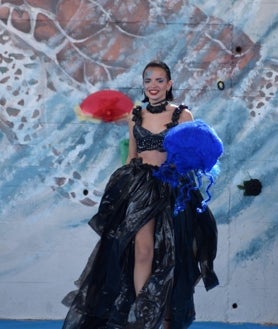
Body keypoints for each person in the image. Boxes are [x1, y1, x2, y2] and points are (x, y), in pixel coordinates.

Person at [62, 60, 219, 329]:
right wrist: (122, 191)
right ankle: (143, 318)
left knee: (173, 255)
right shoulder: (136, 115)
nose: (153, 85)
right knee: (142, 252)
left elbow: (193, 156)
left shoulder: (182, 115)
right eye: (148, 80)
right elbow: (132, 157)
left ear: (169, 84)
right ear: (143, 85)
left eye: (159, 80)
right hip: (142, 189)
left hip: (173, 189)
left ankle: (168, 319)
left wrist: (184, 170)